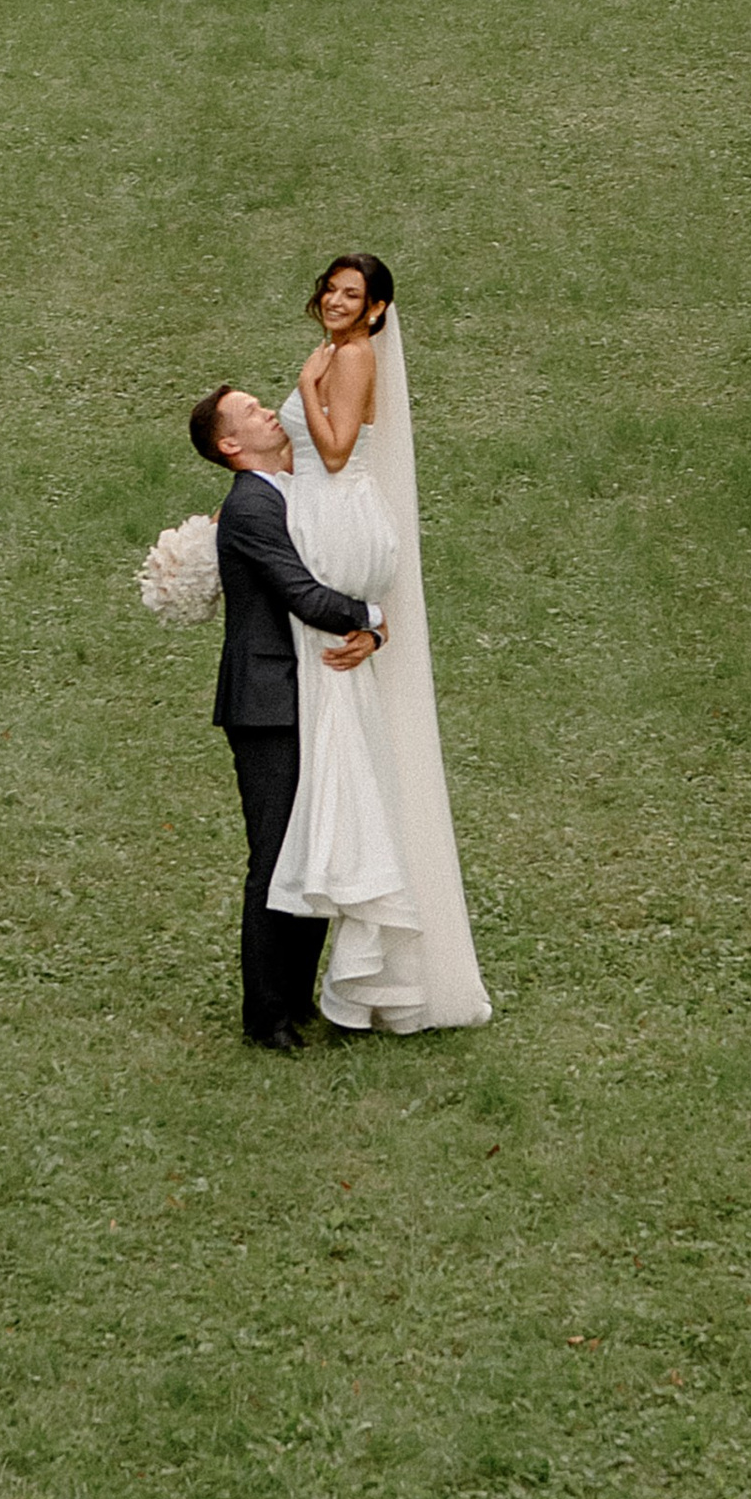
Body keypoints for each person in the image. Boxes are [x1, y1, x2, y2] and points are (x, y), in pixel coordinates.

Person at [270, 257, 492, 1035]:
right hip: (319, 513)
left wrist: (305, 385)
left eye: (351, 294)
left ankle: (360, 904)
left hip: (338, 515)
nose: (334, 300)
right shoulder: (339, 351)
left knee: (339, 712)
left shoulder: (351, 357)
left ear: (377, 309)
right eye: (330, 288)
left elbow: (332, 453)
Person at [188, 383, 385, 1053]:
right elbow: (300, 593)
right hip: (267, 701)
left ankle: (295, 999)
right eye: (248, 412)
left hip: (302, 694)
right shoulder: (249, 506)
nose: (267, 410)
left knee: (312, 848)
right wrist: (376, 619)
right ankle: (265, 1017)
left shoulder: (286, 494)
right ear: (229, 444)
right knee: (275, 856)